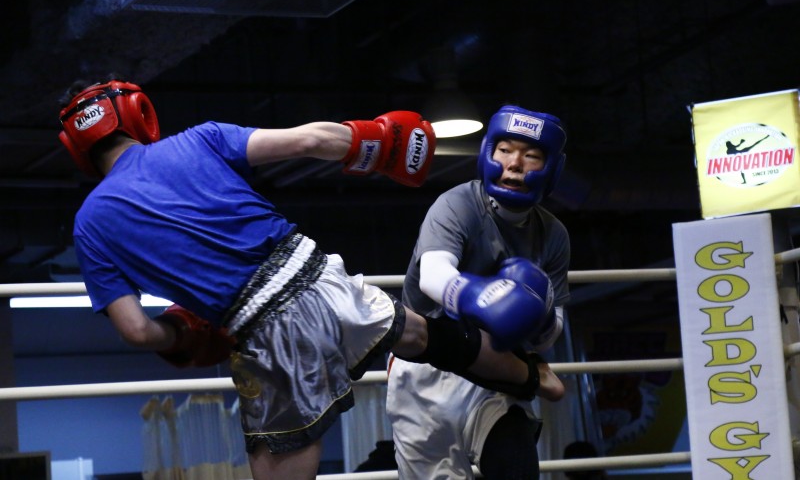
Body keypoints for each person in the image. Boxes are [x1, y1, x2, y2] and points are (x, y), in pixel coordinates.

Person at [57, 77, 552, 480]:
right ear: (138, 113)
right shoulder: (195, 140)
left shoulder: (90, 224)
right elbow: (312, 140)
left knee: (279, 461)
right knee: (426, 336)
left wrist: (183, 332)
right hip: (318, 275)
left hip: (263, 328)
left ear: (76, 147)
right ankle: (534, 376)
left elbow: (137, 331)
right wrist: (380, 145)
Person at [386, 104, 571, 480]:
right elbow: (433, 277)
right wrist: (486, 300)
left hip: (493, 367)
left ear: (551, 167)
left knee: (515, 465)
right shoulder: (457, 204)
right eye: (505, 150)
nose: (514, 164)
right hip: (424, 361)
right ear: (488, 152)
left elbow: (552, 332)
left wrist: (538, 313)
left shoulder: (553, 234)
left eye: (531, 155)